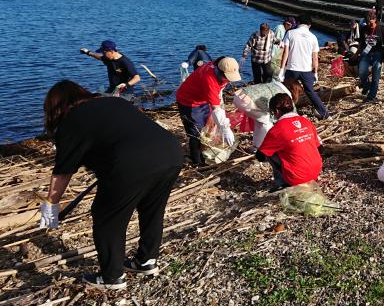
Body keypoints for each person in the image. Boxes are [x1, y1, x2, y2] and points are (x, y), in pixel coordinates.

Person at [40, 80, 183, 290]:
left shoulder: (71, 120)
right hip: (171, 151)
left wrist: (50, 208)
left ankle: (112, 277)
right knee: (152, 210)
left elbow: (63, 172)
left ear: (56, 106)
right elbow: (121, 134)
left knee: (107, 219)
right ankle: (145, 261)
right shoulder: (112, 102)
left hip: (131, 162)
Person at [176, 57, 241, 166]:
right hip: (188, 102)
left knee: (207, 127)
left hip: (203, 99)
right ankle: (197, 162)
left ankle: (204, 150)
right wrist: (225, 129)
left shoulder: (218, 65)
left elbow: (216, 99)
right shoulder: (210, 80)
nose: (229, 81)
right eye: (228, 78)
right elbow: (216, 108)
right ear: (221, 72)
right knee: (195, 132)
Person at [256, 93, 322, 192]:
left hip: (297, 177)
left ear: (277, 111)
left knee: (269, 152)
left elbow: (260, 156)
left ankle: (283, 182)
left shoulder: (277, 129)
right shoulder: (306, 121)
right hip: (316, 172)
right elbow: (320, 147)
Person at [278, 13, 329, 119]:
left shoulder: (290, 33)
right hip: (306, 70)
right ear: (309, 25)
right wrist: (315, 72)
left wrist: (282, 69)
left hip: (292, 68)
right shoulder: (313, 37)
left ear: (298, 23)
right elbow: (315, 58)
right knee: (311, 92)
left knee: (287, 91)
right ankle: (324, 114)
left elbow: (285, 53)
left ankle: (284, 113)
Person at [232, 78, 303, 149]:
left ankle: (256, 146)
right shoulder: (285, 94)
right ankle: (266, 147)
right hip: (246, 101)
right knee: (267, 121)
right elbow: (292, 112)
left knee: (260, 121)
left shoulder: (276, 84)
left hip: (239, 95)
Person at [358, 9, 384, 101]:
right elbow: (361, 43)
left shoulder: (382, 30)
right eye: (367, 22)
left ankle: (371, 96)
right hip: (366, 52)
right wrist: (356, 54)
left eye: (371, 22)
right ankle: (367, 85)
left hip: (378, 53)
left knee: (376, 71)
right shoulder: (364, 29)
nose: (369, 24)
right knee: (361, 71)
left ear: (375, 20)